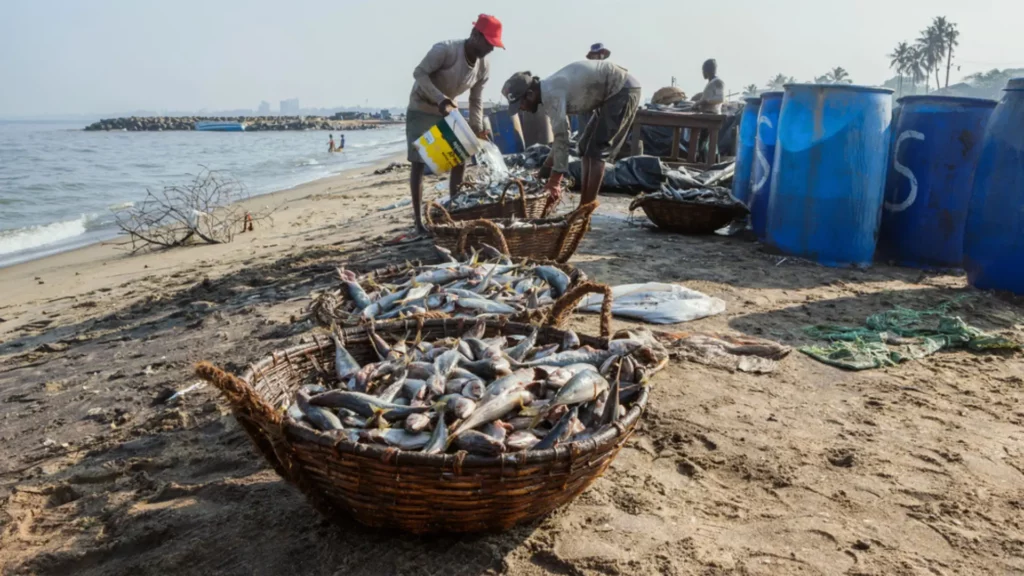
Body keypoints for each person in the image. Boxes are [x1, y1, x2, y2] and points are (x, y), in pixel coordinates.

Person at [406, 14, 503, 233]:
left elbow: (476, 99)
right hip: (422, 106)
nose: (490, 49)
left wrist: (477, 128)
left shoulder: (483, 67)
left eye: (493, 45)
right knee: (418, 163)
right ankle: (418, 221)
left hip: (448, 110)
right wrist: (440, 99)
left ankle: (455, 210)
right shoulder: (446, 50)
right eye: (488, 43)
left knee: (461, 157)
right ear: (475, 35)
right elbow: (419, 73)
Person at [502, 61, 641, 208]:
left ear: (530, 94)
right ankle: (583, 206)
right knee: (583, 147)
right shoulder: (547, 93)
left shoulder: (551, 95)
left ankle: (585, 209)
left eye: (520, 105)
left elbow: (563, 138)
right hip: (609, 93)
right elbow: (559, 141)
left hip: (621, 90)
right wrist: (544, 171)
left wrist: (555, 181)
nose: (522, 109)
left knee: (596, 151)